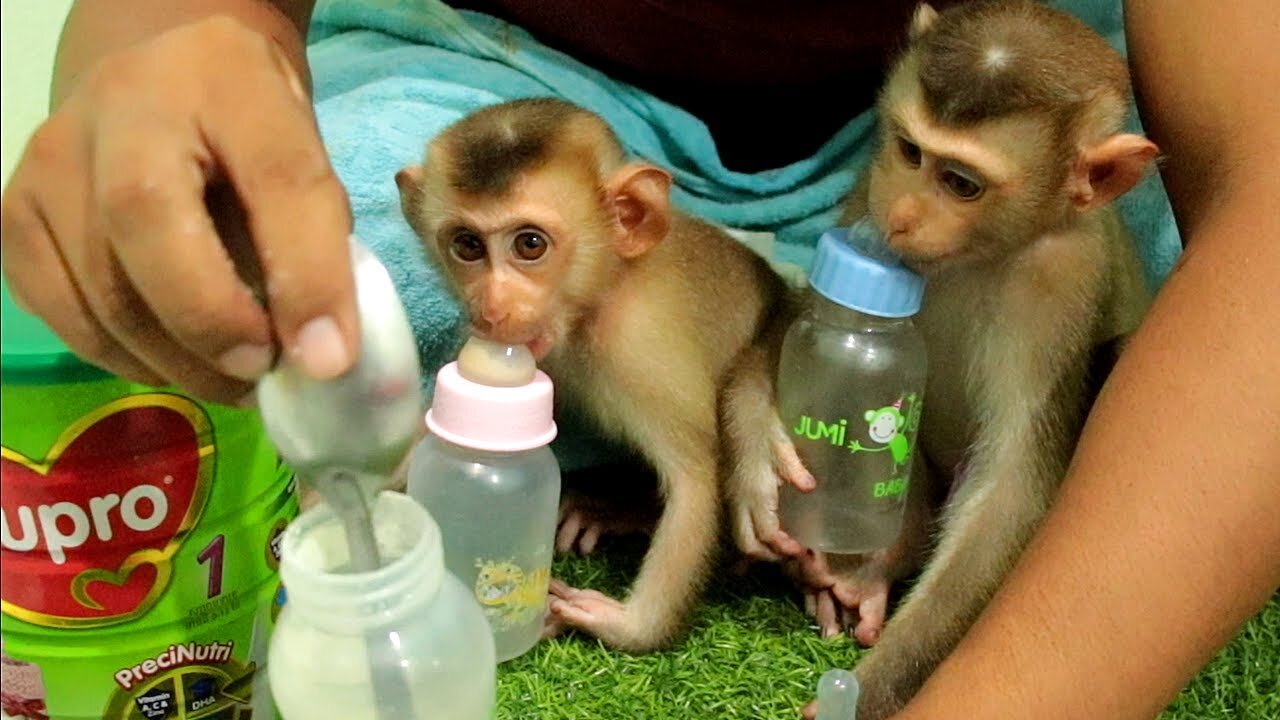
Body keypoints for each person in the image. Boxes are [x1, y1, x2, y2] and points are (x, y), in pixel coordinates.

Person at [1, 2, 1276, 718]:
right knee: (322, 301)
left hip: (988, 112)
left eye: (520, 259)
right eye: (476, 255)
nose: (898, 224)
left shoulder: (1059, 175)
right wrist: (161, 65)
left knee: (1157, 364)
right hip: (492, 66)